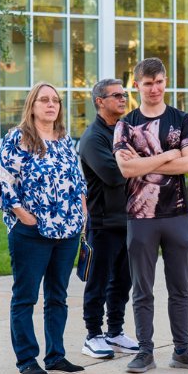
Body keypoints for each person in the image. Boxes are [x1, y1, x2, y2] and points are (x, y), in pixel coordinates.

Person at [113, 58, 188, 374]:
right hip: (140, 217)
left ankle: (182, 350)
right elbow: (126, 169)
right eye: (147, 83)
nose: (154, 88)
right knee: (142, 289)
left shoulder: (182, 119)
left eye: (159, 82)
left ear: (166, 82)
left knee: (179, 287)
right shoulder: (125, 125)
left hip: (177, 214)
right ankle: (145, 351)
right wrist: (170, 154)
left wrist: (149, 162)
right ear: (137, 85)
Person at [0, 82, 89, 374]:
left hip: (67, 231)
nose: (51, 105)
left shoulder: (63, 138)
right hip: (32, 232)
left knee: (58, 296)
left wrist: (82, 212)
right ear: (32, 105)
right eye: (44, 100)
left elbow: (77, 179)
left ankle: (56, 357)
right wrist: (22, 215)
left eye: (55, 100)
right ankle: (27, 360)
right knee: (25, 297)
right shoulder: (18, 139)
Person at [77, 78, 141, 359]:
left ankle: (115, 331)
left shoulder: (125, 132)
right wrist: (136, 163)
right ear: (99, 101)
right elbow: (115, 175)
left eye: (124, 94)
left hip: (129, 220)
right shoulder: (93, 138)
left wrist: (134, 162)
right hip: (103, 223)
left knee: (123, 281)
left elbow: (140, 165)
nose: (123, 98)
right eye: (116, 95)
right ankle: (93, 335)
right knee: (98, 282)